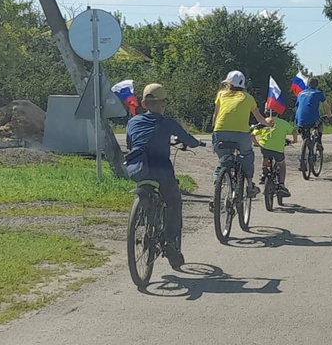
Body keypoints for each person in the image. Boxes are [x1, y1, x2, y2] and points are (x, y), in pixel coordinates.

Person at [125, 83, 201, 269]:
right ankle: (168, 240)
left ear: (143, 103)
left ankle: (144, 215)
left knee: (150, 192)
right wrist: (196, 143)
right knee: (174, 201)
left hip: (138, 168)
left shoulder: (133, 122)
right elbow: (188, 139)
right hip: (161, 169)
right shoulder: (167, 123)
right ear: (163, 104)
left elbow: (129, 143)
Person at [211, 71, 272, 204]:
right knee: (247, 156)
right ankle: (250, 186)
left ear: (228, 83)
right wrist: (268, 124)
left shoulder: (220, 94)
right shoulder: (248, 97)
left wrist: (216, 129)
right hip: (241, 135)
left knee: (223, 160)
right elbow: (259, 117)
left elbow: (215, 116)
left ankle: (217, 185)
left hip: (220, 132)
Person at [254, 111, 298, 197]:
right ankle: (281, 184)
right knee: (282, 165)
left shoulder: (263, 122)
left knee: (265, 155)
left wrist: (256, 143)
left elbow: (253, 134)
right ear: (277, 113)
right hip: (278, 149)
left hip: (265, 147)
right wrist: (294, 140)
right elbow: (294, 131)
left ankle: (264, 172)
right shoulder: (283, 123)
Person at [294, 77, 332, 167]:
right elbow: (326, 106)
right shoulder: (318, 93)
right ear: (317, 85)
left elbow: (296, 107)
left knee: (305, 135)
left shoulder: (300, 93)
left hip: (300, 119)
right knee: (320, 124)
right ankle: (318, 142)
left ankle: (303, 157)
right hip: (312, 118)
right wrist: (329, 115)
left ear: (308, 85)